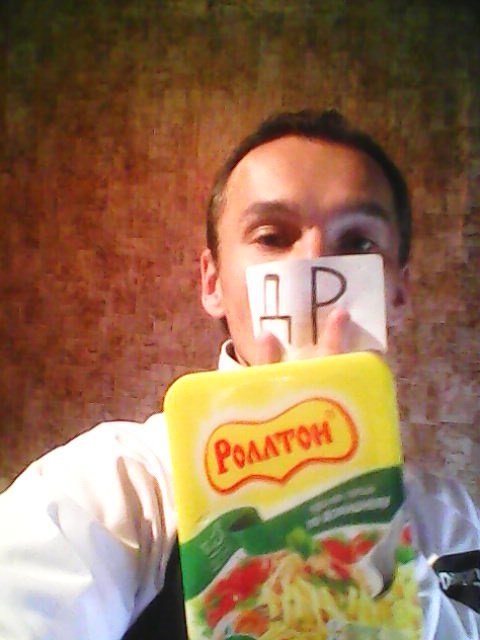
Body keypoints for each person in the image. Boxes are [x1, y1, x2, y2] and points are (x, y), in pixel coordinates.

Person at [0, 110, 478, 640]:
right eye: (272, 236)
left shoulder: (451, 521)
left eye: (359, 244)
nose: (311, 264)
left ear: (398, 293)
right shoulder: (115, 488)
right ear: (213, 284)